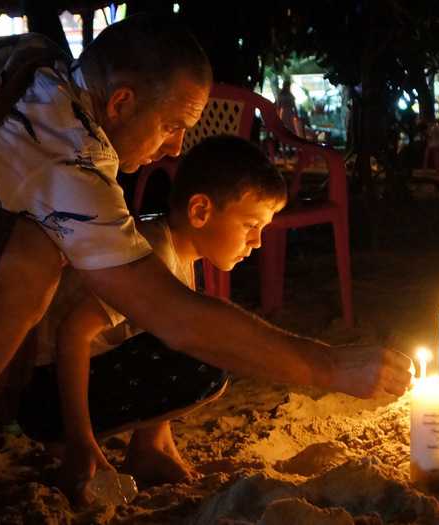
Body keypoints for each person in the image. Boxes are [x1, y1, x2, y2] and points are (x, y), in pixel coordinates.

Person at [0, 14, 411, 477]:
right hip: (43, 396)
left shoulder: (36, 58)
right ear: (121, 103)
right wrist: (329, 366)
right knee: (29, 263)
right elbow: (174, 318)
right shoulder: (68, 152)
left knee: (31, 251)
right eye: (172, 126)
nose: (177, 148)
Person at [17, 135, 286, 497]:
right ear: (200, 211)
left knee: (188, 329)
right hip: (44, 396)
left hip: (55, 391)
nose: (256, 241)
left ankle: (152, 447)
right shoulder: (152, 252)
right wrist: (79, 440)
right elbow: (73, 333)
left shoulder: (174, 249)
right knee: (204, 352)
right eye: (250, 225)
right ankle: (91, 443)